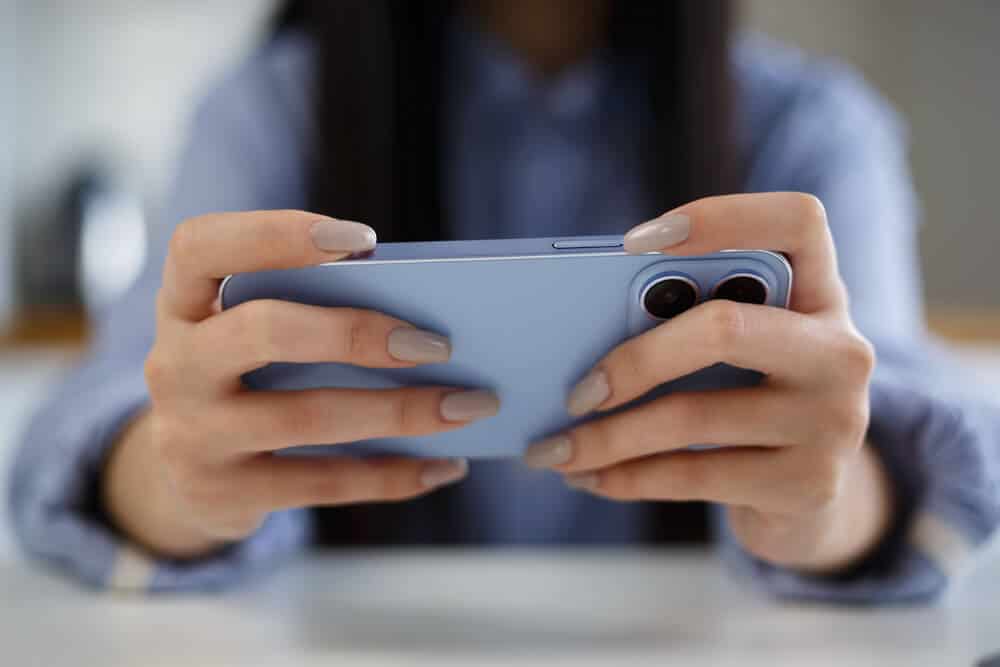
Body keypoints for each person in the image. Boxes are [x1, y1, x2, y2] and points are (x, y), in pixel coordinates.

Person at [10, 0, 999, 601]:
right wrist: (179, 479)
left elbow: (909, 430)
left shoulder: (810, 128)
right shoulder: (269, 110)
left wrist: (821, 507)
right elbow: (95, 424)